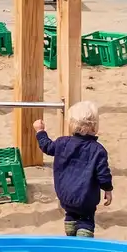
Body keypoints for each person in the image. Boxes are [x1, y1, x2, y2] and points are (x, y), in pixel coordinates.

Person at [34, 102, 112, 237]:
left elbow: (47, 146)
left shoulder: (62, 143)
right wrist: (108, 189)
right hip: (86, 198)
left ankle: (70, 230)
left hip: (65, 195)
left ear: (70, 124)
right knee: (86, 218)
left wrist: (40, 131)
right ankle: (83, 237)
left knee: (71, 212)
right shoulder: (98, 150)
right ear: (94, 127)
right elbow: (103, 174)